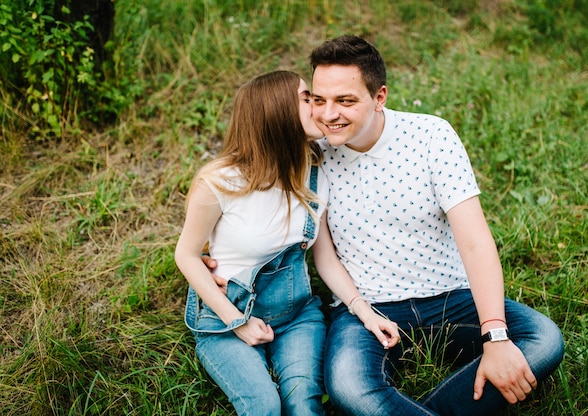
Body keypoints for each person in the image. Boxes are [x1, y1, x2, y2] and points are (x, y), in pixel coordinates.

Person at [307, 35, 564, 416]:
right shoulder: (313, 154)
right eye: (318, 100)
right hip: (366, 310)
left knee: (543, 341)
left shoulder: (430, 136)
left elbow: (476, 242)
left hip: (450, 298)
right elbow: (317, 249)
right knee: (348, 387)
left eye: (345, 101)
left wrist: (494, 338)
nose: (328, 114)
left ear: (379, 98)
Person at [176, 70, 398, 416]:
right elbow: (187, 255)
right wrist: (237, 322)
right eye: (307, 98)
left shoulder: (313, 173)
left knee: (303, 406)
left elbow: (325, 259)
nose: (320, 108)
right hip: (227, 316)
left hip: (296, 314)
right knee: (263, 407)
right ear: (277, 111)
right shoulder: (221, 182)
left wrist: (366, 313)